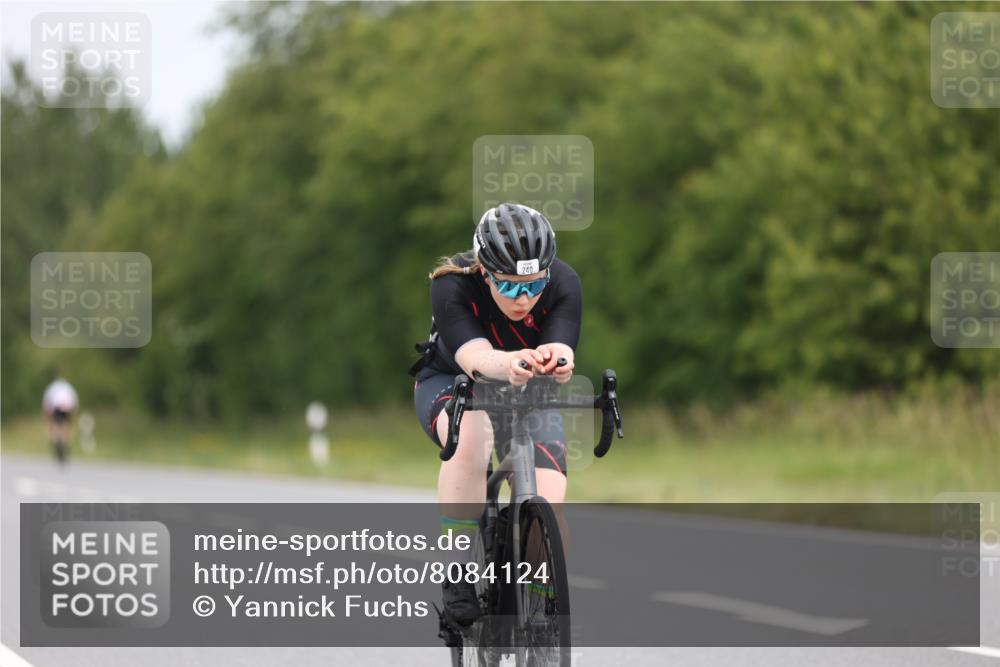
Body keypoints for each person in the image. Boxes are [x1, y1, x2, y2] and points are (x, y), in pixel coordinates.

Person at [410, 203, 582, 625]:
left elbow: (562, 342)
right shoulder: (451, 285)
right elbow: (475, 357)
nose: (524, 299)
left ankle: (542, 602)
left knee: (551, 498)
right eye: (508, 287)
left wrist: (559, 360)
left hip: (527, 385)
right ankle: (458, 569)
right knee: (472, 435)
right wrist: (510, 364)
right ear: (485, 272)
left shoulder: (564, 281)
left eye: (534, 284)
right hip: (453, 382)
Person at [42, 377, 78, 464]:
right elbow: (75, 401)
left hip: (57, 407)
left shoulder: (52, 387)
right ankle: (66, 443)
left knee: (56, 424)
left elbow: (47, 402)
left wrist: (47, 416)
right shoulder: (69, 387)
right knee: (66, 425)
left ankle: (56, 441)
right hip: (68, 407)